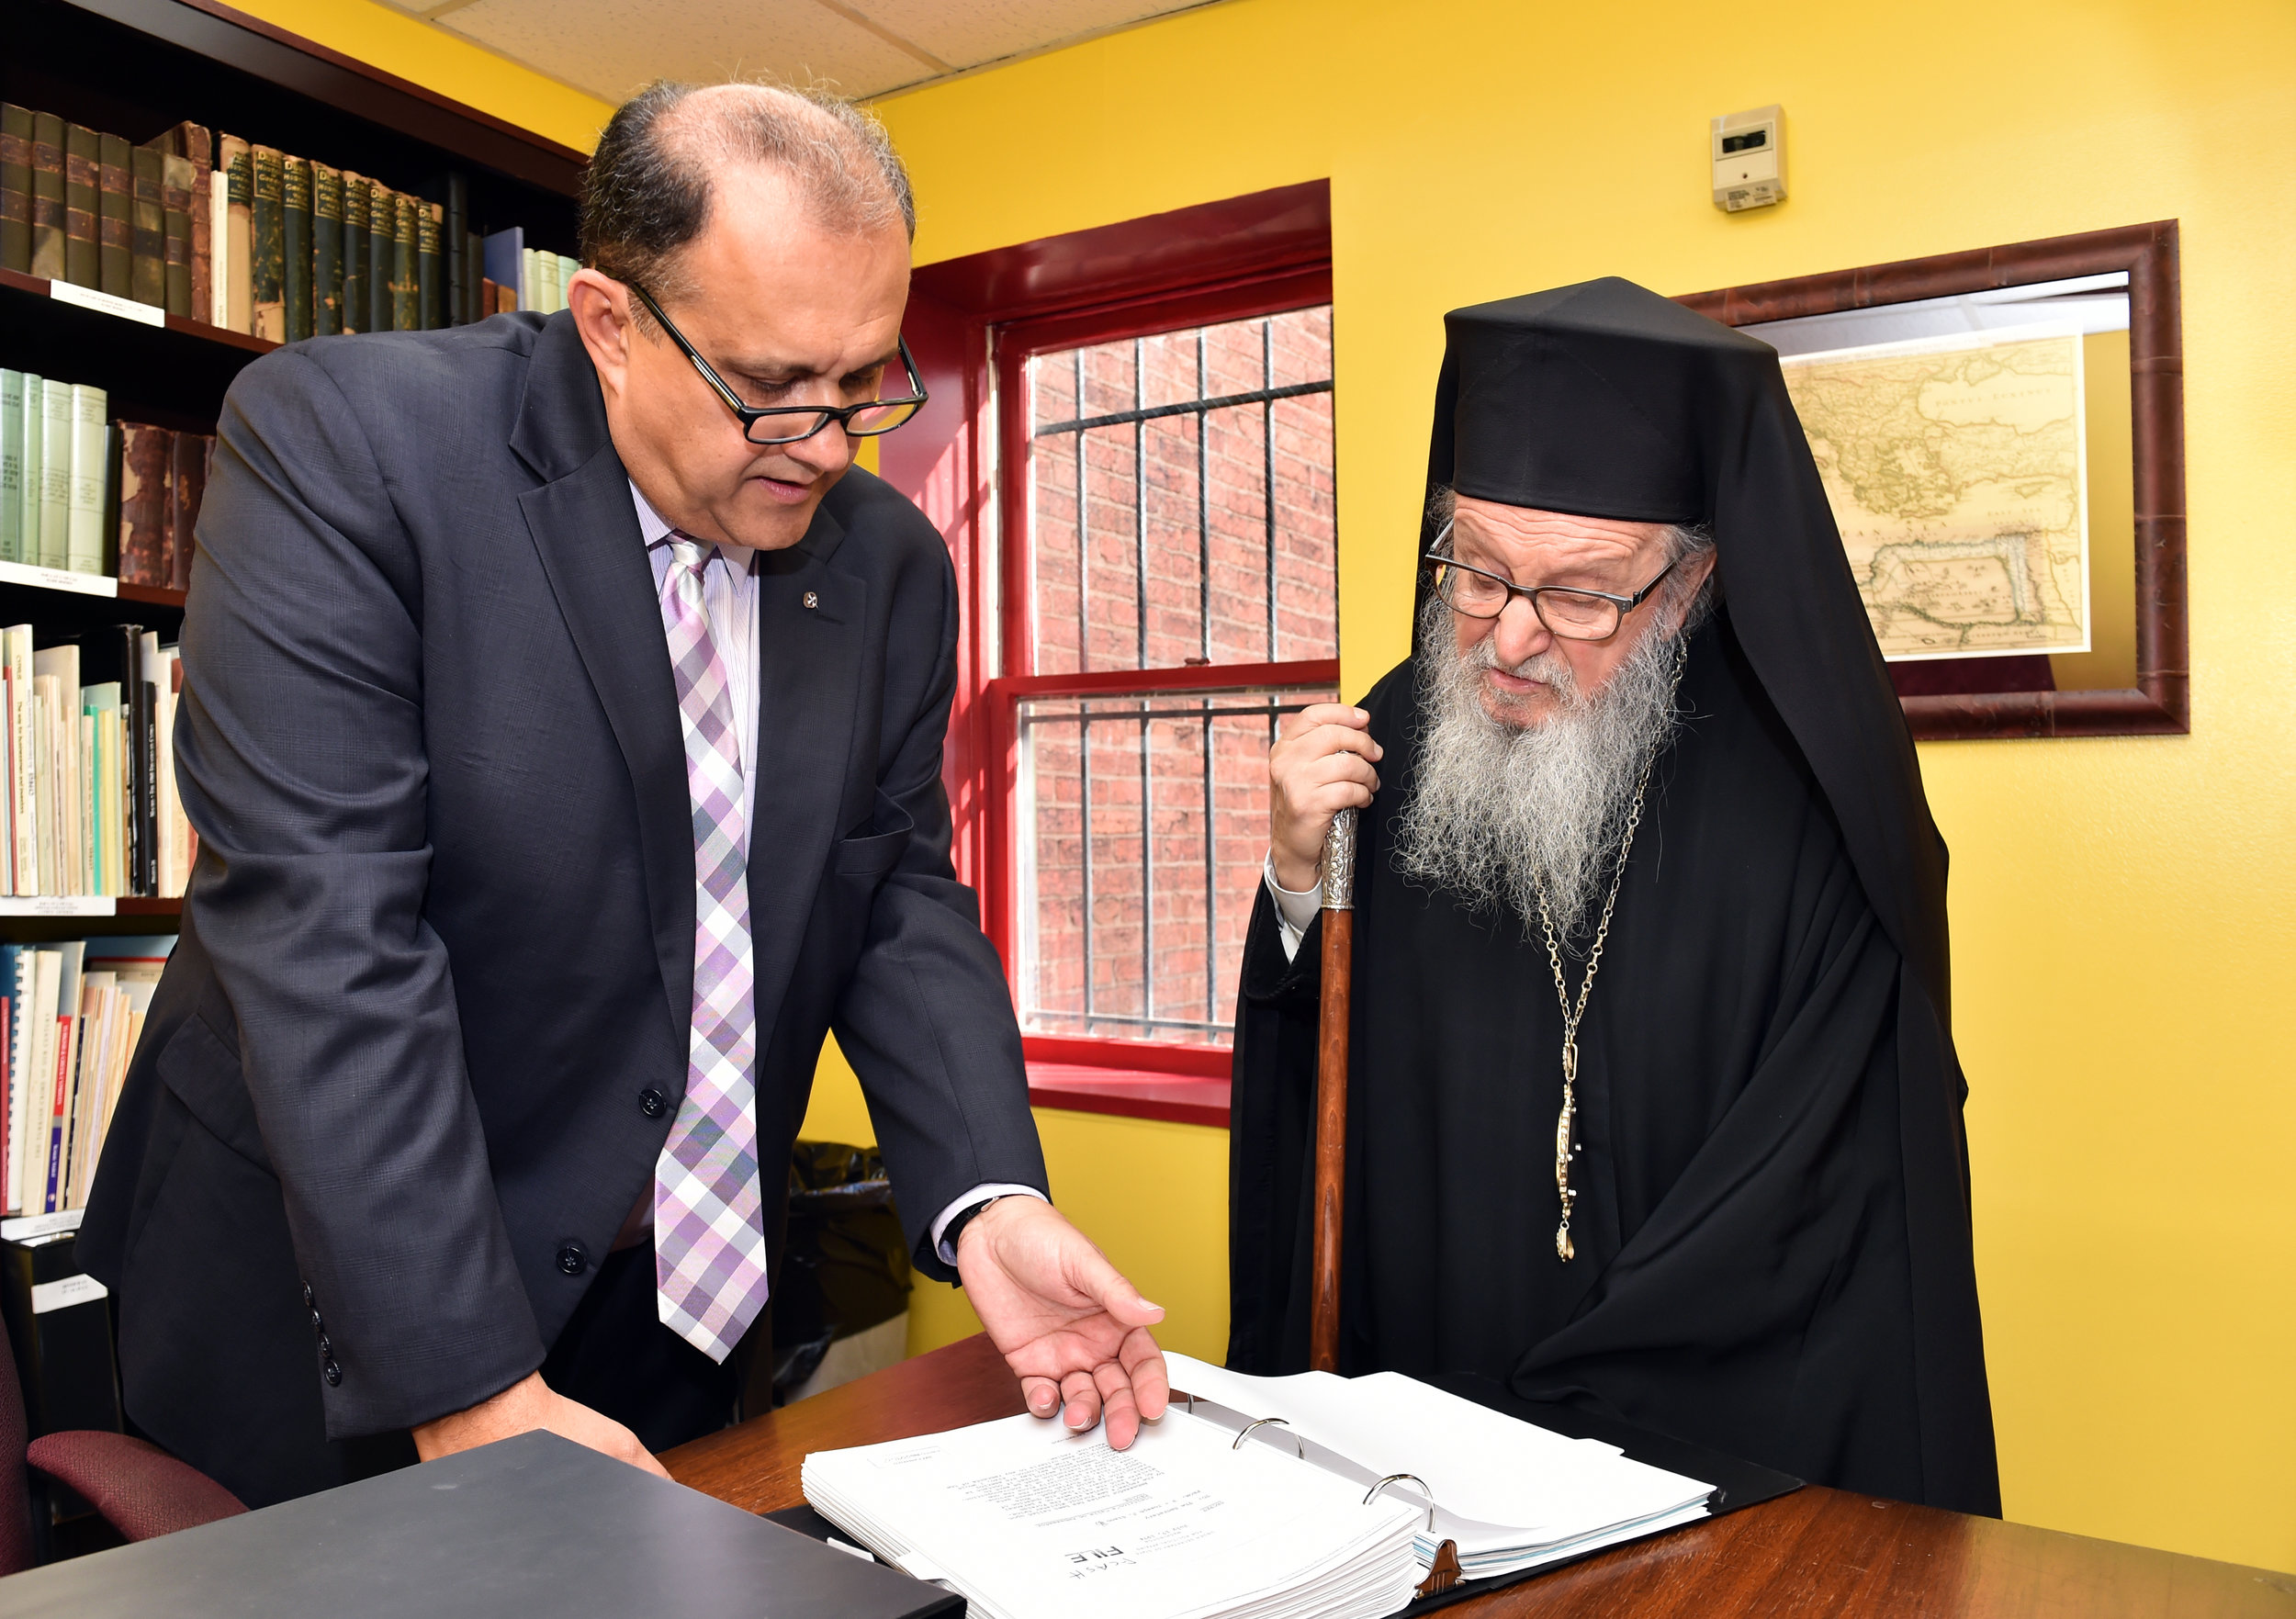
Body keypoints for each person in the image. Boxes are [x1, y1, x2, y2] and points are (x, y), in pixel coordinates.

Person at [81, 82, 1167, 1510]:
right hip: (336, 1304)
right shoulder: (351, 450)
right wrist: (465, 1385)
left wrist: (989, 1200)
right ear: (608, 323)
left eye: (860, 382)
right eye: (769, 387)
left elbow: (892, 885)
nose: (828, 445)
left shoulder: (890, 566)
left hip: (673, 1312)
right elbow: (329, 936)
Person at [1226, 277, 1999, 1513]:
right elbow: (1325, 1080)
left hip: (1701, 1442)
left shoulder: (1810, 796)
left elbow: (1834, 1188)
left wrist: (1572, 1399)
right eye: (1475, 571)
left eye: (1581, 593)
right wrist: (1296, 876)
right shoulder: (1398, 739)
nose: (1510, 636)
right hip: (1435, 1419)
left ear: (1691, 584)